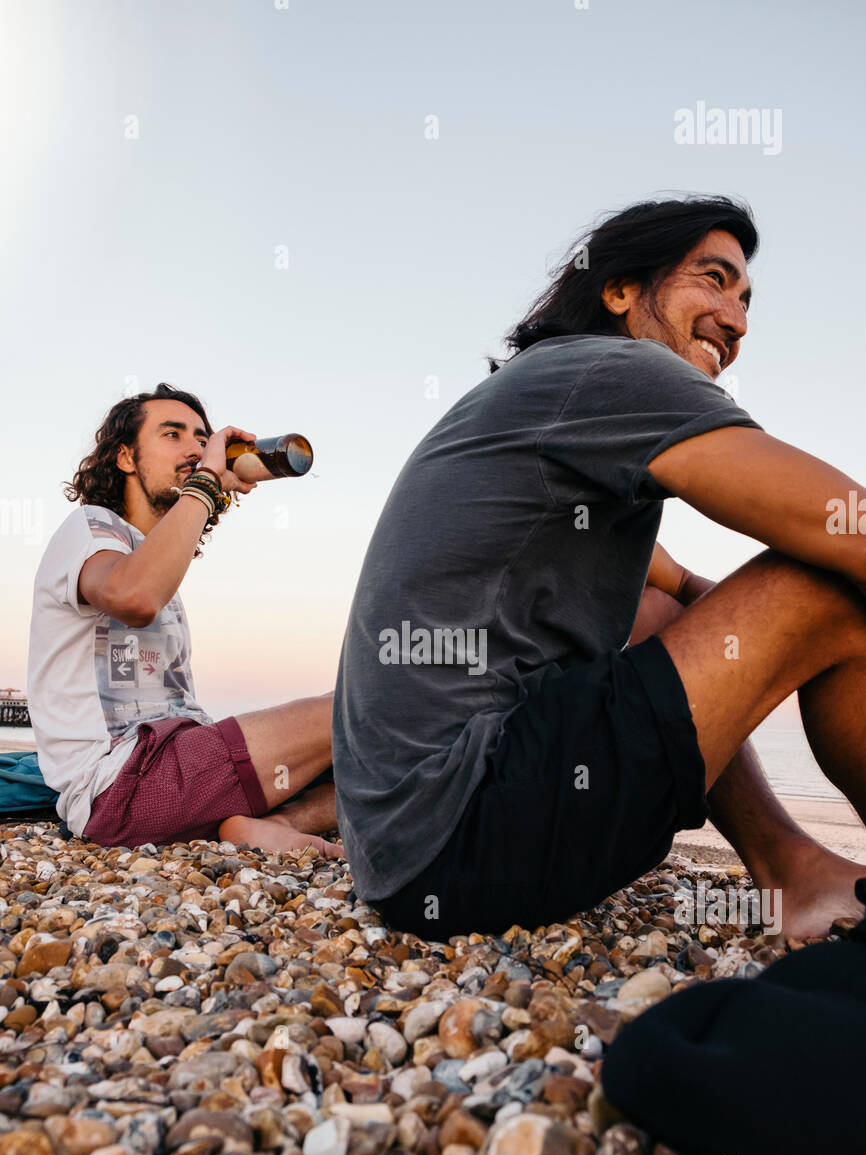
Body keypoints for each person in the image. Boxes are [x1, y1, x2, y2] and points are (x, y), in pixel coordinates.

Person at [333, 194, 866, 943]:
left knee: (663, 616)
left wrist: (752, 637)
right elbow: (845, 525)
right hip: (467, 828)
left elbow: (671, 585)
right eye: (713, 280)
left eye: (747, 300)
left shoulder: (548, 395)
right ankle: (791, 870)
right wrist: (808, 623)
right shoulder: (616, 369)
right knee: (829, 584)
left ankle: (791, 870)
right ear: (619, 290)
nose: (738, 321)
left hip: (406, 852)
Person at [27, 384, 340, 857]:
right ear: (126, 458)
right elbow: (136, 597)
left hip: (181, 762)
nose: (195, 449)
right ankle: (259, 819)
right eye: (172, 434)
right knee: (364, 706)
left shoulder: (151, 557)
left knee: (381, 752)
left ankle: (272, 825)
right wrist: (208, 481)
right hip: (122, 786)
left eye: (201, 439)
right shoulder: (89, 528)